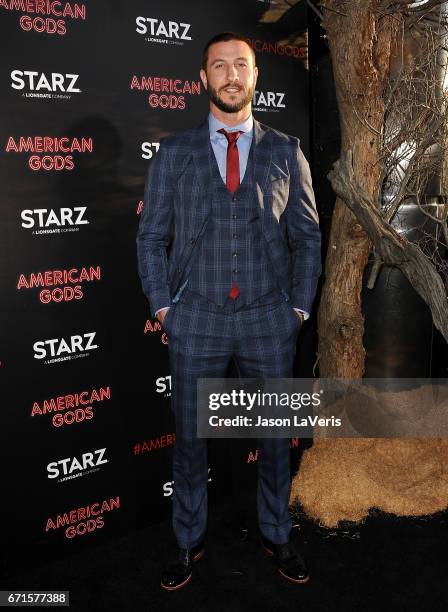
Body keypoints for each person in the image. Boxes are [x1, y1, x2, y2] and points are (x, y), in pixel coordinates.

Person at [137, 31, 321, 591]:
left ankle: (276, 532)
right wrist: (165, 308)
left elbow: (308, 237)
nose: (231, 74)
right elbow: (150, 237)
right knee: (191, 443)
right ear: (203, 79)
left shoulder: (286, 150)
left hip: (270, 321)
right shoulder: (174, 153)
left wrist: (297, 308)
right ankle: (187, 541)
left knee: (274, 439)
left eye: (241, 64)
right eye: (219, 66)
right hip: (196, 321)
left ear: (255, 76)